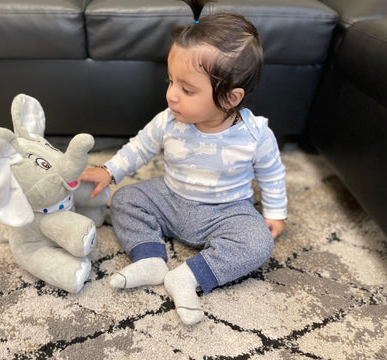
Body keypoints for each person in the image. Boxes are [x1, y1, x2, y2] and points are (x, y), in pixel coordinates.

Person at [80, 0, 287, 325]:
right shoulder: (169, 120)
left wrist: (275, 212)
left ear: (231, 98)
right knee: (125, 199)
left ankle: (189, 276)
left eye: (187, 89)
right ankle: (150, 258)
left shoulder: (254, 134)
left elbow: (272, 174)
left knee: (258, 242)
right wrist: (110, 170)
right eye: (171, 82)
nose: (172, 96)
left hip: (227, 211)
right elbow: (140, 147)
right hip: (170, 197)